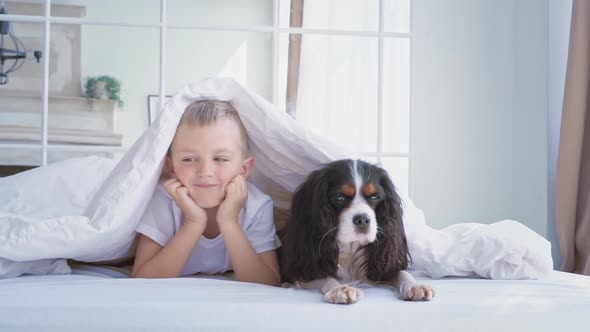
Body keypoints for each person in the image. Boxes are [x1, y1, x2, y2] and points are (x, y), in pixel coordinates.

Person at [131, 100, 281, 286]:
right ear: (172, 167)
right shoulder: (164, 199)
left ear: (243, 169)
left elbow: (268, 283)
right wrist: (193, 222)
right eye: (189, 159)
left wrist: (229, 222)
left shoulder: (257, 205)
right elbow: (141, 279)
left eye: (220, 158)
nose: (205, 171)